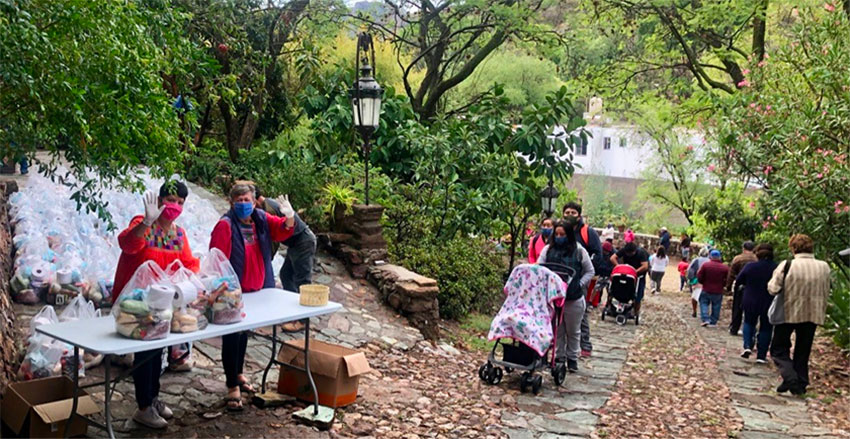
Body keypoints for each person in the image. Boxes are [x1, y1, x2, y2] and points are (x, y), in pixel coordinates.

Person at [113, 181, 200, 429]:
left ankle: (153, 398)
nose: (175, 206)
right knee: (145, 355)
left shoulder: (178, 233)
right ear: (160, 200)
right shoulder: (143, 223)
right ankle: (143, 407)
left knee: (159, 352)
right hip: (137, 306)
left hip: (163, 305)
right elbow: (129, 245)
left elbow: (188, 263)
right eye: (171, 200)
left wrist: (193, 279)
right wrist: (146, 223)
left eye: (181, 203)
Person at [210, 184, 295, 411]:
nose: (243, 204)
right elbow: (216, 259)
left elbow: (282, 230)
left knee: (244, 333)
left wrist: (289, 217)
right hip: (235, 292)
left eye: (246, 199)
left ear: (255, 200)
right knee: (232, 335)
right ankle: (231, 386)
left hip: (258, 290)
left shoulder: (260, 219)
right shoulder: (225, 225)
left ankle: (238, 374)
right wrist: (223, 292)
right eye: (238, 200)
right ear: (231, 203)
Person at [768, 234, 831, 395]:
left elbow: (773, 288)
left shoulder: (788, 265)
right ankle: (800, 382)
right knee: (803, 349)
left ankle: (790, 378)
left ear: (793, 248)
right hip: (813, 312)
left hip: (789, 311)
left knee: (778, 348)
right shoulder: (824, 266)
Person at [252, 185, 318, 332]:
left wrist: (266, 260)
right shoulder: (265, 205)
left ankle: (303, 320)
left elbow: (273, 239)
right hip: (294, 244)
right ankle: (292, 312)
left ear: (255, 199)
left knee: (303, 281)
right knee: (286, 276)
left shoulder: (268, 208)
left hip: (303, 242)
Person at [537, 218, 595, 373]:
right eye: (556, 234)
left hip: (573, 297)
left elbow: (590, 271)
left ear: (569, 235)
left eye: (562, 234)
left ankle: (572, 358)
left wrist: (579, 284)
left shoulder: (579, 250)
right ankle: (559, 356)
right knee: (557, 329)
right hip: (553, 297)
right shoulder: (548, 250)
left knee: (573, 330)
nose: (559, 237)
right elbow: (539, 267)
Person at [563, 202, 602, 357]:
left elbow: (597, 254)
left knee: (581, 312)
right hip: (560, 280)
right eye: (567, 212)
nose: (570, 215)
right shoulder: (561, 231)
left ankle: (585, 344)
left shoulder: (588, 233)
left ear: (579, 215)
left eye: (573, 212)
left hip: (579, 280)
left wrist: (584, 274)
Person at [736, 244, 778, 363]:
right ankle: (761, 355)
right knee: (766, 327)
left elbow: (739, 280)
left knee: (749, 322)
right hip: (769, 300)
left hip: (750, 299)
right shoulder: (776, 268)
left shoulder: (750, 266)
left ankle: (748, 346)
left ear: (757, 254)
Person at [610, 241, 649, 321]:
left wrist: (635, 271)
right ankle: (612, 307)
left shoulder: (641, 253)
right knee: (617, 289)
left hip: (638, 276)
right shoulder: (624, 250)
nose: (629, 255)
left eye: (631, 254)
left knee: (638, 295)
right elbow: (612, 258)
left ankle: (636, 312)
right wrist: (618, 267)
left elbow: (645, 266)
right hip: (625, 274)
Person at [726, 241, 758, 336]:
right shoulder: (757, 259)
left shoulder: (738, 258)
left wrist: (728, 286)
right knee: (752, 309)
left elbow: (731, 274)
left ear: (743, 248)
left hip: (740, 285)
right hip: (754, 287)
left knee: (737, 307)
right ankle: (750, 329)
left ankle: (734, 328)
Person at [696, 250, 730, 327]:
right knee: (716, 305)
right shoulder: (724, 268)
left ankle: (705, 319)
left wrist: (702, 282)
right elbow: (728, 279)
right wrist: (724, 285)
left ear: (710, 256)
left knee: (704, 303)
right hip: (718, 290)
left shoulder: (706, 265)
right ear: (719, 257)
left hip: (706, 288)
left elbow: (699, 275)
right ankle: (713, 321)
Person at [687, 247, 711, 318]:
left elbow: (690, 270)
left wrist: (690, 279)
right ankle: (705, 312)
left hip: (697, 281)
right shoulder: (710, 261)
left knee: (694, 297)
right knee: (706, 299)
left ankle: (694, 311)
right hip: (707, 282)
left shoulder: (696, 260)